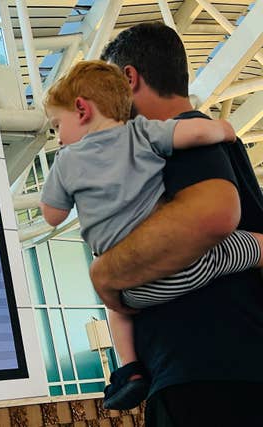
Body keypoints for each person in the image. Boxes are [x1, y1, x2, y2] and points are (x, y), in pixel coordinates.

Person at [38, 60, 263, 410]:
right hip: (195, 267)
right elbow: (198, 134)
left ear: (81, 109)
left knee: (114, 308)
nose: (58, 137)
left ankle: (128, 370)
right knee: (258, 245)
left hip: (134, 293)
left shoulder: (65, 162)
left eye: (56, 126)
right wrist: (226, 130)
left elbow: (52, 216)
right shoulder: (143, 132)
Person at [91, 22, 263, 426]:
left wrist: (107, 275)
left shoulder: (177, 139)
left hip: (207, 382)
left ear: (129, 79)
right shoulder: (218, 146)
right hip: (222, 374)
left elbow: (211, 218)